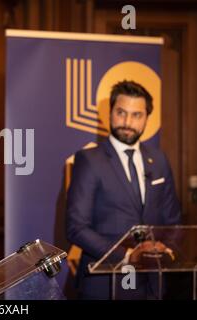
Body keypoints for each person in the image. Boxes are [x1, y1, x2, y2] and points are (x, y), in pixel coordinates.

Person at [66, 80, 181, 299]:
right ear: (109, 113)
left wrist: (165, 250)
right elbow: (76, 228)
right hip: (105, 282)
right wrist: (129, 255)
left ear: (147, 117)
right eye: (121, 112)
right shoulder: (89, 160)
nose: (127, 122)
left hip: (152, 284)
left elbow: (172, 219)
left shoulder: (159, 160)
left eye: (136, 115)